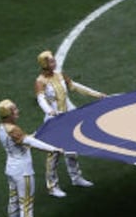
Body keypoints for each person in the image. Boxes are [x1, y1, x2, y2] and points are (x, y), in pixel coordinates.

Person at [34, 50, 105, 198]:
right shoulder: (40, 81)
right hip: (54, 119)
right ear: (45, 64)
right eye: (51, 61)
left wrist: (96, 94)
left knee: (72, 147)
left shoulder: (60, 74)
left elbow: (74, 86)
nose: (55, 63)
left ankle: (76, 177)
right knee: (54, 152)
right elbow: (41, 99)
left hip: (68, 115)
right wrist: (49, 111)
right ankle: (52, 186)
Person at [0, 99, 61, 217]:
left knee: (14, 202)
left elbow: (24, 140)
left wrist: (36, 134)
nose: (17, 112)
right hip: (23, 171)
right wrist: (53, 149)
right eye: (14, 110)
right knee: (26, 205)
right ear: (8, 114)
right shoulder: (14, 129)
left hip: (11, 168)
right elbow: (30, 143)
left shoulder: (2, 128)